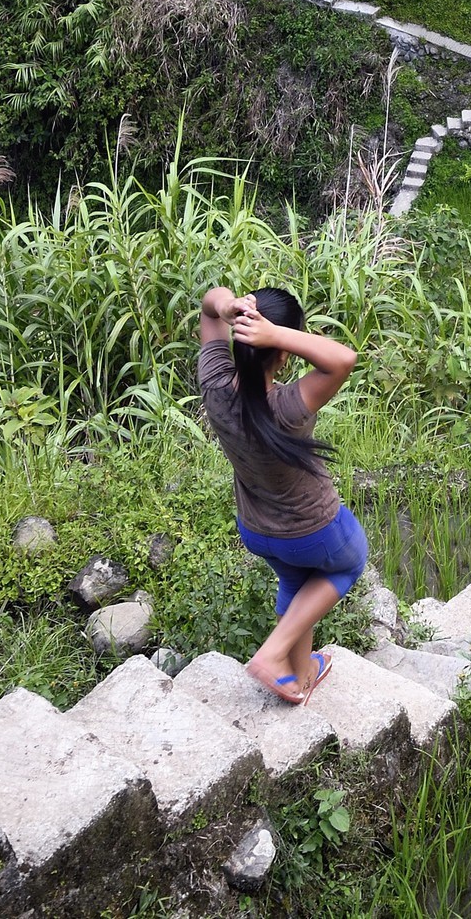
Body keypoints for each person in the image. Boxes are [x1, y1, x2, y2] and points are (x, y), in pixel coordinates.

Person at [197, 284, 366, 705]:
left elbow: (209, 304)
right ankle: (273, 656)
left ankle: (301, 672)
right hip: (315, 530)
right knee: (351, 562)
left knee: (297, 580)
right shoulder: (289, 406)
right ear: (283, 352)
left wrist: (228, 306)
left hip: (257, 530)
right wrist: (277, 334)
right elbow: (343, 358)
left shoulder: (215, 386)